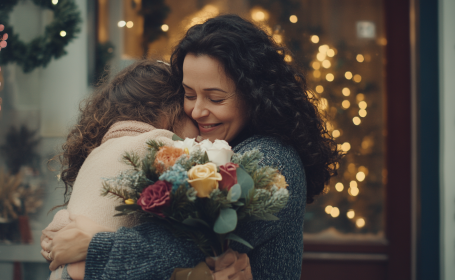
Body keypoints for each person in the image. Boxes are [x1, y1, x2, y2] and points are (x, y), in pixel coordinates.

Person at [42, 14, 341, 280]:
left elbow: (180, 246)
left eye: (215, 98)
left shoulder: (273, 159)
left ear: (255, 95)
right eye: (188, 94)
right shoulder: (208, 149)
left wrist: (92, 242)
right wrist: (70, 222)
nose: (197, 111)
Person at [40, 60, 199, 279]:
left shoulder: (96, 154)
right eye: (189, 111)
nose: (199, 117)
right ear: (166, 114)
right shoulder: (160, 143)